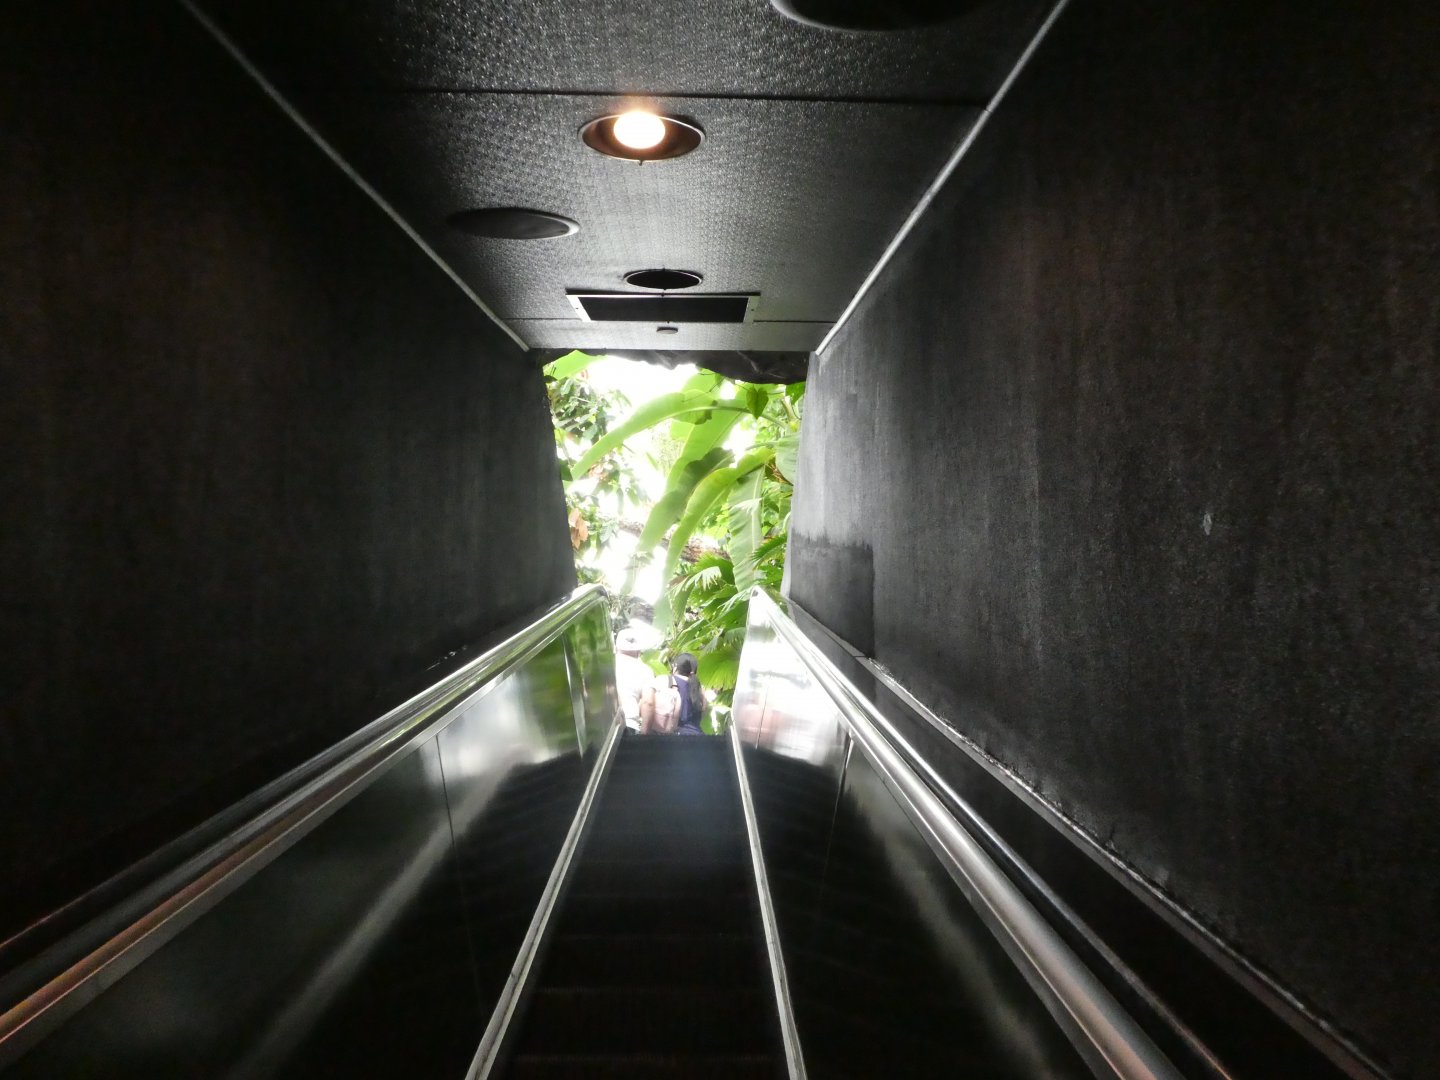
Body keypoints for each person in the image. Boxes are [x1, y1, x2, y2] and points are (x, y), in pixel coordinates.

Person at [641, 652, 707, 736]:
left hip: (674, 739)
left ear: (676, 666)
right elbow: (704, 710)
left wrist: (644, 731)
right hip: (698, 737)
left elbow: (648, 702)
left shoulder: (665, 680)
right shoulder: (700, 688)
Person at [614, 628, 652, 735]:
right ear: (639, 650)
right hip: (629, 725)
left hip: (603, 727)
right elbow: (648, 702)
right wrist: (644, 734)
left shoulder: (605, 665)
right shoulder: (645, 670)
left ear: (616, 646)